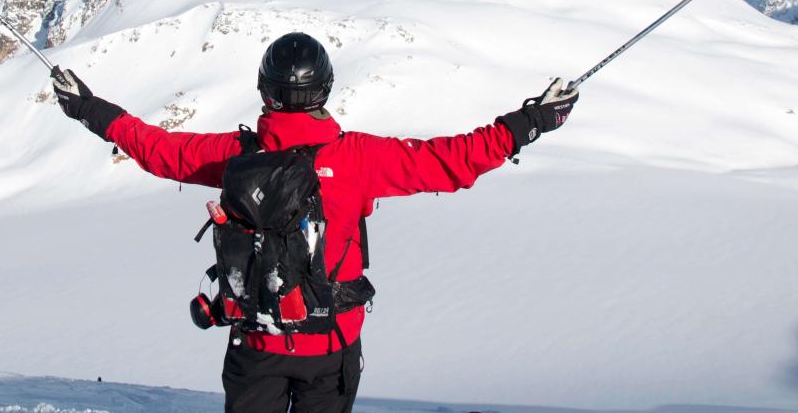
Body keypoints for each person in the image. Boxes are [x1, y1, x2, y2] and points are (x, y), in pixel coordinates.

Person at [52, 32, 579, 413]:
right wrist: (534, 119)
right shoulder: (359, 159)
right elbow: (455, 159)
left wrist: (89, 108)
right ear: (325, 91)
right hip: (330, 347)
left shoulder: (235, 156)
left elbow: (159, 150)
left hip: (255, 344)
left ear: (265, 91)